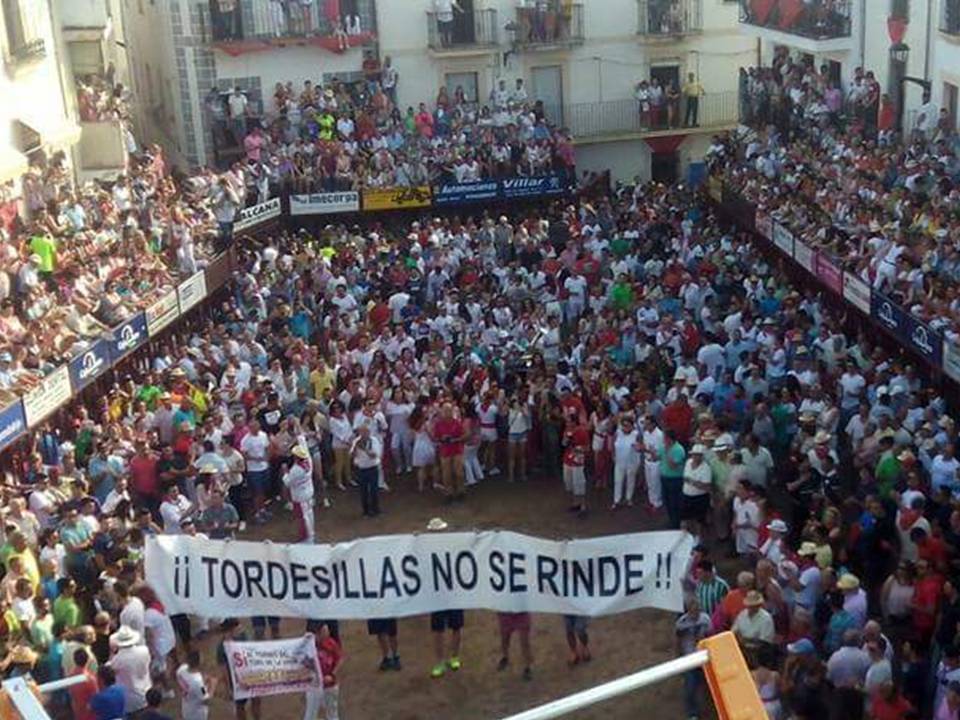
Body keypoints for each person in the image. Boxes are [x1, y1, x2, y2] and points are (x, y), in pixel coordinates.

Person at [675, 596, 711, 720]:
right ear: (688, 610)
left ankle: (711, 709)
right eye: (693, 610)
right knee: (690, 687)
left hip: (704, 657)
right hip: (689, 658)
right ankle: (693, 713)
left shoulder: (705, 619)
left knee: (708, 685)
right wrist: (679, 658)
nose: (696, 612)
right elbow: (678, 642)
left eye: (697, 609)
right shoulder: (682, 623)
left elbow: (710, 635)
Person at [305, 624, 342, 720]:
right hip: (314, 685)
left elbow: (339, 660)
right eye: (324, 631)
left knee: (332, 713)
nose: (327, 633)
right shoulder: (307, 647)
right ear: (316, 634)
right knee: (310, 714)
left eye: (327, 630)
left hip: (330, 684)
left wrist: (332, 675)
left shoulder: (331, 643)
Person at [282, 445, 316, 543]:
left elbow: (287, 482)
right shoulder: (308, 462)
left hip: (300, 497)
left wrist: (285, 472)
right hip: (308, 494)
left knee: (303, 518)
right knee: (309, 515)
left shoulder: (296, 469)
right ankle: (310, 535)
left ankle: (306, 539)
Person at [351, 424, 383, 517]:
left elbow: (375, 455)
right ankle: (365, 511)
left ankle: (376, 509)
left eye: (366, 432)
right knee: (363, 491)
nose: (364, 434)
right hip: (361, 469)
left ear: (369, 432)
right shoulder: (356, 442)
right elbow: (352, 455)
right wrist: (355, 448)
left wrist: (364, 449)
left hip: (372, 468)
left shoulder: (374, 441)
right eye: (362, 432)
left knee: (374, 489)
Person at [176, 650, 214, 720]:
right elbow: (206, 700)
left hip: (186, 708)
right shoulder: (198, 682)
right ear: (199, 662)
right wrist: (212, 685)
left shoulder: (181, 670)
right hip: (197, 715)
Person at [497, 612, 533, 680]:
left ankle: (528, 667)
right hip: (505, 614)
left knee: (525, 643)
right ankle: (505, 658)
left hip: (522, 614)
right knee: (505, 639)